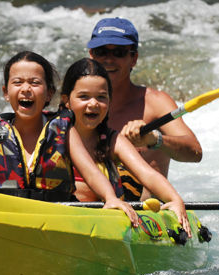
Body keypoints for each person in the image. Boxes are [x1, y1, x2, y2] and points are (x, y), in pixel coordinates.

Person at [0, 50, 139, 226]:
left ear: (49, 93)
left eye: (35, 83)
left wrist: (110, 197)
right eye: (17, 82)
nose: (26, 89)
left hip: (54, 221)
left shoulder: (64, 132)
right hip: (6, 221)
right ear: (6, 91)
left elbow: (90, 171)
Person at [60, 58, 192, 236]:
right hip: (61, 212)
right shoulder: (53, 133)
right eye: (84, 97)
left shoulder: (113, 140)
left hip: (103, 218)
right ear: (66, 100)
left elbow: (148, 174)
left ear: (109, 101)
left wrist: (175, 199)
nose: (93, 104)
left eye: (101, 97)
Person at [86, 17, 202, 200]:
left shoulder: (155, 103)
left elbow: (195, 152)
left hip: (146, 212)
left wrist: (155, 139)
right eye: (101, 52)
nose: (109, 60)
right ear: (91, 55)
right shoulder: (76, 104)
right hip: (94, 207)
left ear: (134, 58)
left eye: (119, 52)